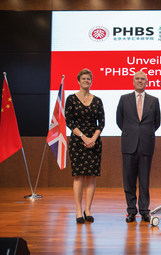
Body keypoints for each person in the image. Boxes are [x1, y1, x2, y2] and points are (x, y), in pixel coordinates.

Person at [116, 71, 161, 223]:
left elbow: (157, 123)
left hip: (146, 144)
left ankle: (144, 211)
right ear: (133, 81)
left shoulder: (154, 101)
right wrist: (132, 133)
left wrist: (143, 134)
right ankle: (130, 211)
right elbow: (119, 121)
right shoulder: (124, 99)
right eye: (137, 79)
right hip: (129, 144)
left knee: (144, 180)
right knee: (128, 179)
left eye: (143, 79)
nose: (140, 81)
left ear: (146, 81)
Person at [65, 68, 105, 224]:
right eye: (84, 79)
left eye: (89, 79)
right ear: (78, 81)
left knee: (91, 176)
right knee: (78, 176)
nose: (87, 81)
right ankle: (77, 211)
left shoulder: (97, 100)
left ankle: (88, 210)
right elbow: (69, 122)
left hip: (94, 142)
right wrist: (83, 137)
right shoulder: (71, 99)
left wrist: (92, 139)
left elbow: (101, 122)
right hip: (77, 141)